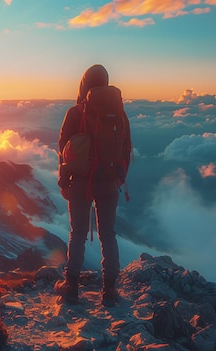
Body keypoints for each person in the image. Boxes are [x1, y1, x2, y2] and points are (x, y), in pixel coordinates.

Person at [54, 64, 132, 306]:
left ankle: (71, 285)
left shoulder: (75, 112)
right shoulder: (118, 113)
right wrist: (119, 177)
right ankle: (109, 290)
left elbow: (64, 149)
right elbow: (126, 147)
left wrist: (63, 180)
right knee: (108, 234)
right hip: (109, 182)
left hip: (80, 182)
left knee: (77, 233)